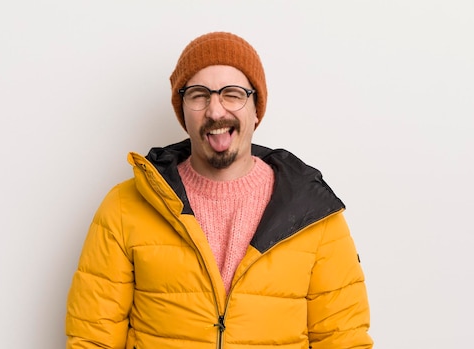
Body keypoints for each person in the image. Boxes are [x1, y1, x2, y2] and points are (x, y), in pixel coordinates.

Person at [65, 31, 373, 349]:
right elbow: (93, 339)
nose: (215, 111)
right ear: (182, 110)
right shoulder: (124, 207)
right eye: (199, 95)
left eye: (233, 94)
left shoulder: (314, 214)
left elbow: (343, 340)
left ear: (256, 109)